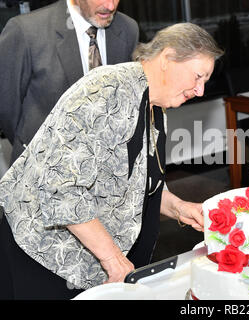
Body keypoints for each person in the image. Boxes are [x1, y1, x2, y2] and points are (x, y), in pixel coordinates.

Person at [0, 22, 223, 300]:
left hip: (89, 264)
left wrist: (178, 208)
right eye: (197, 77)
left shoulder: (156, 109)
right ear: (167, 58)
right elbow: (62, 191)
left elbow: (141, 184)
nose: (200, 91)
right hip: (44, 256)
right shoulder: (106, 89)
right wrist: (113, 259)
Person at [0, 0, 139, 165]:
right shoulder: (26, 31)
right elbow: (6, 106)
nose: (110, 6)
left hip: (106, 168)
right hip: (42, 168)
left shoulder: (128, 29)